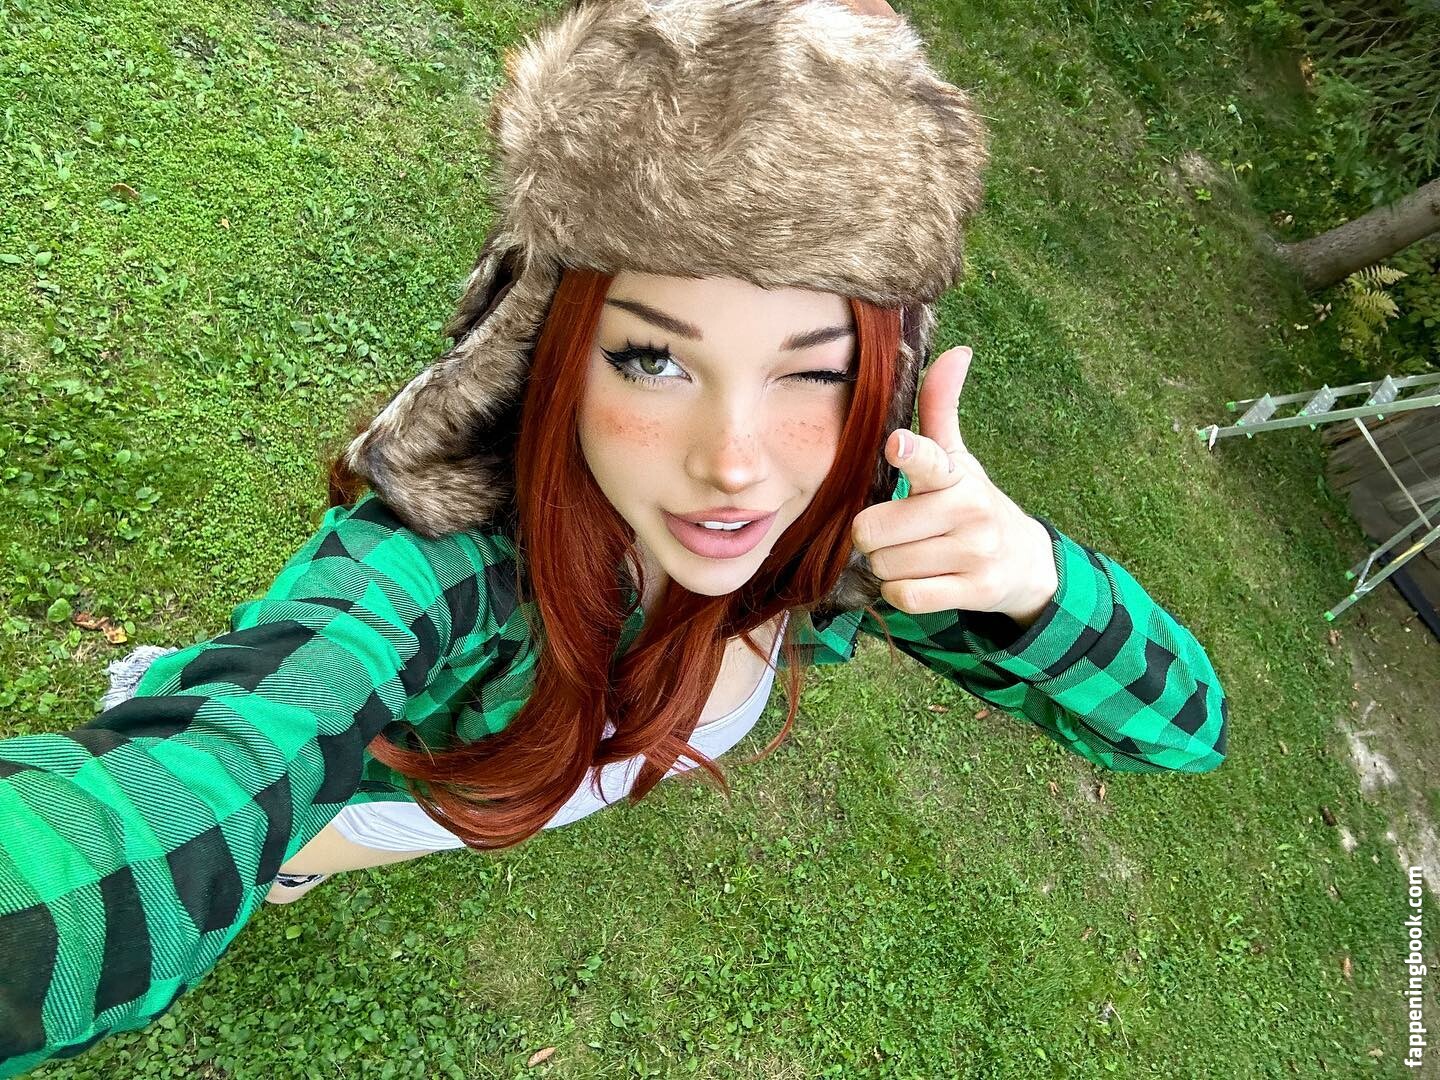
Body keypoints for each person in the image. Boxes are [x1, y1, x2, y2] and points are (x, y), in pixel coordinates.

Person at [0, 0, 1228, 1072]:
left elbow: (1179, 729)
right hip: (345, 792)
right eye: (653, 359)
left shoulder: (845, 552)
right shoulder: (440, 570)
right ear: (548, 355)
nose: (733, 462)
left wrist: (1036, 587)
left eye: (812, 372)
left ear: (879, 388)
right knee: (281, 828)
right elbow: (171, 811)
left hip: (443, 813)